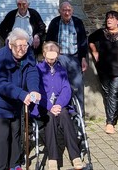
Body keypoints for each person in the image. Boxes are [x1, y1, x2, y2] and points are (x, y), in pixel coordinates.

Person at [0, 28, 41, 170]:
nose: (22, 49)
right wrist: (22, 94)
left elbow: (32, 72)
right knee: (2, 139)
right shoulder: (2, 57)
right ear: (10, 45)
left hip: (16, 104)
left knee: (16, 135)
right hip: (0, 104)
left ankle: (15, 165)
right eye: (19, 46)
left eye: (25, 45)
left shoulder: (28, 53)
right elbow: (0, 83)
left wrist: (34, 89)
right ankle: (1, 167)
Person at [35, 42, 84, 170]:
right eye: (49, 52)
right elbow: (38, 91)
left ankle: (75, 156)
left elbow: (66, 89)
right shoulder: (38, 69)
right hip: (44, 105)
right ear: (44, 54)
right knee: (50, 118)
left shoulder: (61, 69)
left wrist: (58, 104)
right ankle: (53, 158)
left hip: (60, 104)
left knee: (65, 115)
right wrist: (50, 106)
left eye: (55, 52)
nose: (52, 56)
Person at [45, 1, 88, 113]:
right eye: (64, 10)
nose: (66, 12)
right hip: (59, 59)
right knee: (59, 87)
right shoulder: (55, 22)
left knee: (77, 87)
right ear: (60, 11)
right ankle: (62, 113)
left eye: (69, 10)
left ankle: (79, 116)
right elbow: (48, 41)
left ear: (72, 11)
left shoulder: (78, 22)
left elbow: (83, 41)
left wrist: (83, 58)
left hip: (74, 58)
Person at [88, 10, 118, 134]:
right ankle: (113, 117)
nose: (109, 20)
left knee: (114, 94)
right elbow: (90, 39)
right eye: (107, 18)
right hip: (103, 68)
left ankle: (110, 123)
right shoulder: (101, 33)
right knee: (107, 93)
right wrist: (95, 52)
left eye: (112, 18)